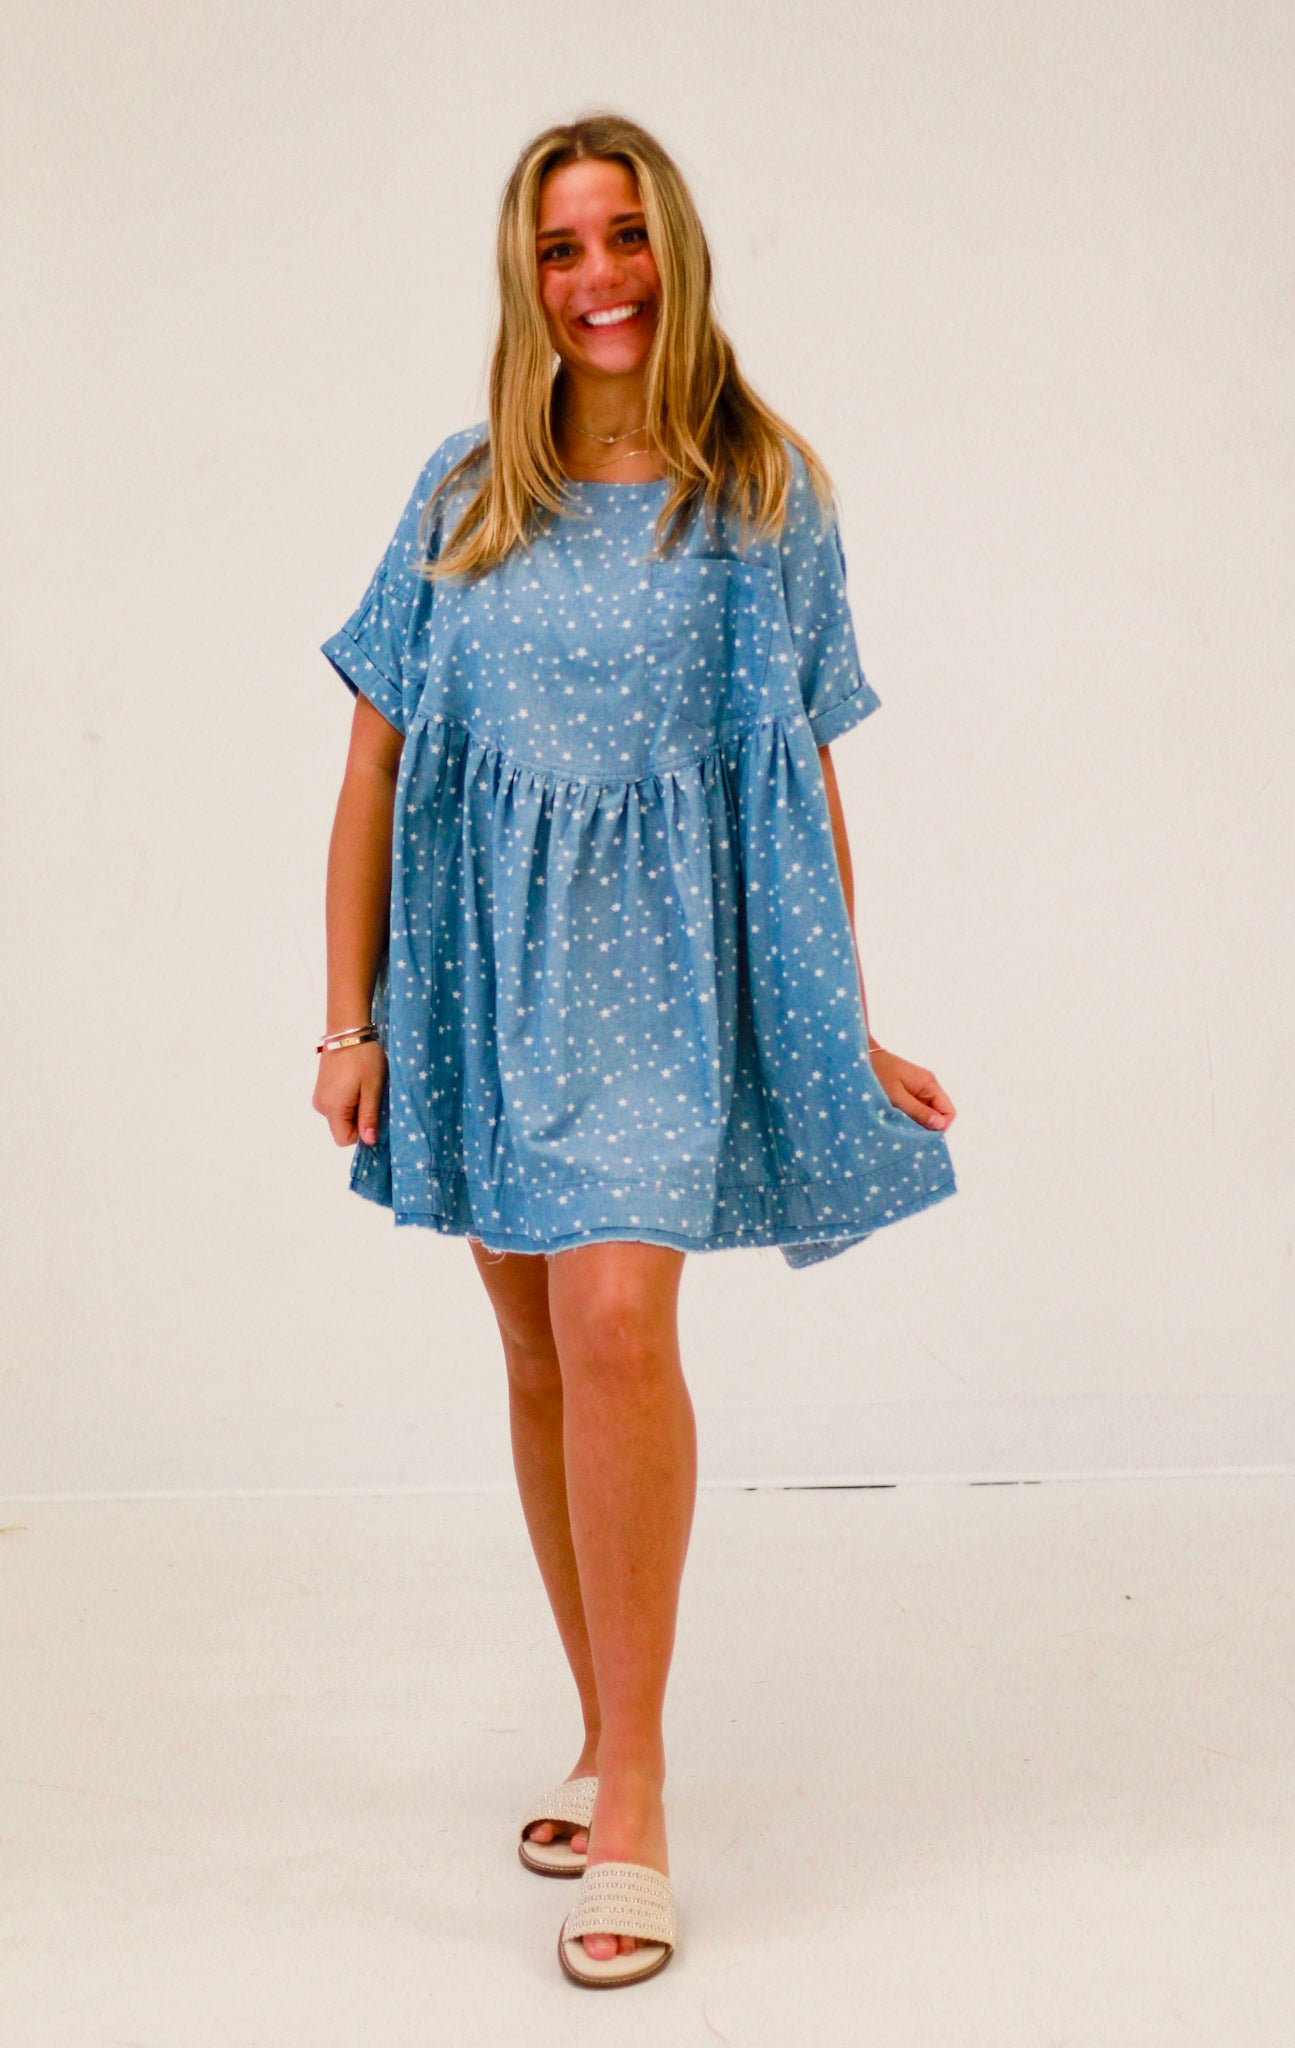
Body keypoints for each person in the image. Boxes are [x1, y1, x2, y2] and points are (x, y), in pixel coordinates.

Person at [312, 111, 957, 1989]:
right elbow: (372, 771)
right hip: (476, 980)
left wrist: (840, 1020)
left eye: (625, 238)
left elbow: (796, 775)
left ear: (675, 251)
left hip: (666, 982)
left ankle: (643, 1796)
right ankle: (599, 1730)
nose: (598, 279)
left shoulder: (762, 492)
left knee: (614, 1327)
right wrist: (349, 1018)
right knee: (536, 1349)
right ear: (527, 280)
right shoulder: (461, 491)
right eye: (561, 247)